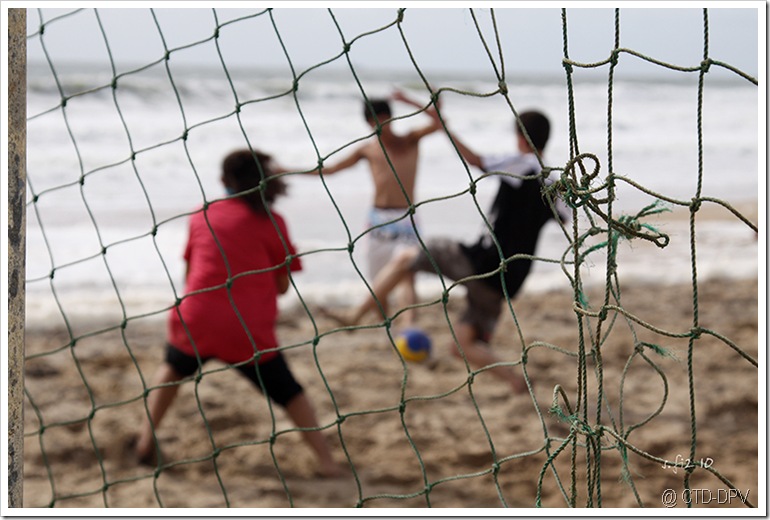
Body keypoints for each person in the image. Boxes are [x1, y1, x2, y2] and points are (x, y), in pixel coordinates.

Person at [328, 110, 568, 395]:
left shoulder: (523, 163)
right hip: (509, 280)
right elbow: (566, 217)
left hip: (483, 262)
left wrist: (445, 127)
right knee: (461, 346)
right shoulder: (555, 183)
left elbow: (476, 161)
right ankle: (516, 383)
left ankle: (355, 316)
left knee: (405, 258)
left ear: (519, 137)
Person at [135, 148, 341, 477]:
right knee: (289, 393)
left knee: (171, 370)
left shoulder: (202, 213)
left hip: (194, 319)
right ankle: (328, 463)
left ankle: (145, 441)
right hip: (246, 331)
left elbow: (189, 275)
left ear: (222, 181)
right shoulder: (273, 221)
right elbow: (283, 286)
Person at [308, 90, 443, 325]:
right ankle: (387, 327)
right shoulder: (367, 149)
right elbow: (330, 169)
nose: (381, 125)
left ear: (391, 118)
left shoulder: (409, 139)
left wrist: (410, 100)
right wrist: (285, 171)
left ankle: (410, 328)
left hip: (406, 218)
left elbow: (439, 122)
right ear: (368, 123)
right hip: (377, 220)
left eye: (384, 119)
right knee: (379, 282)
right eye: (374, 121)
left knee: (407, 274)